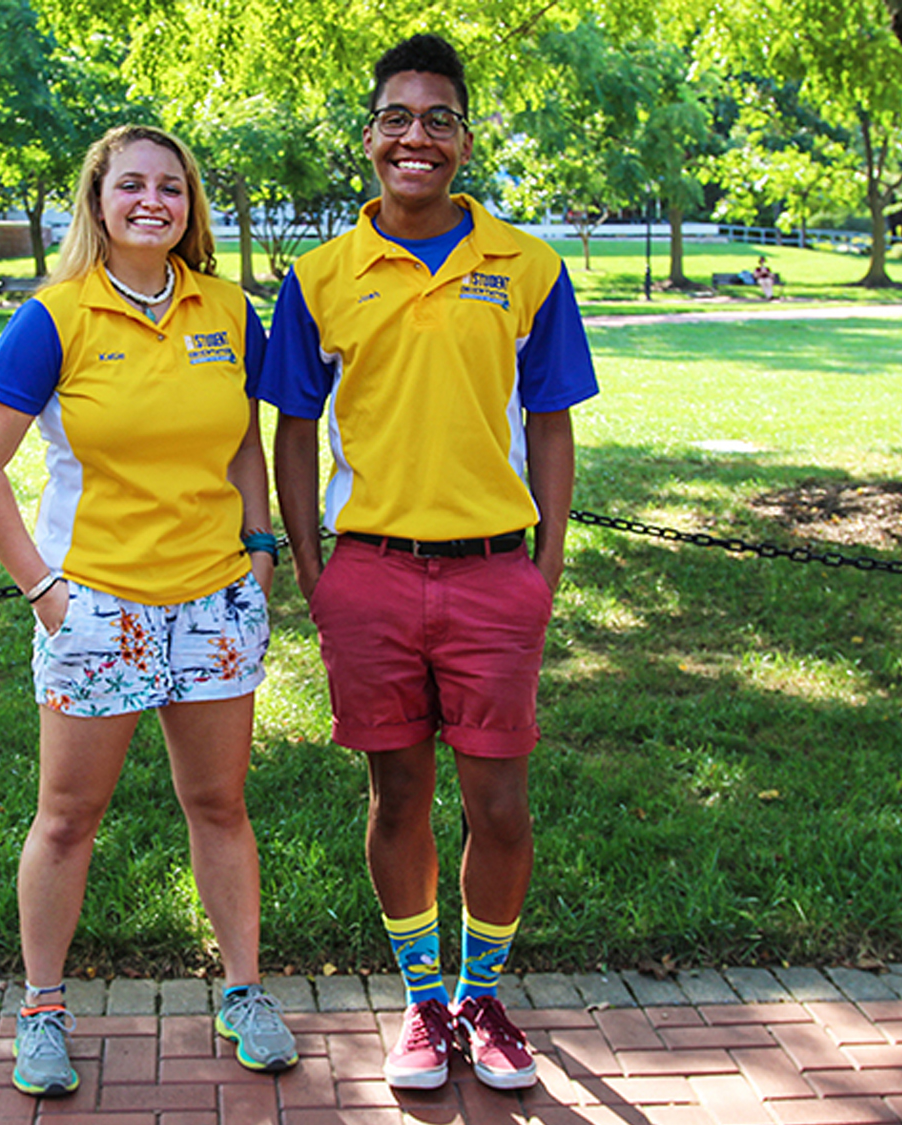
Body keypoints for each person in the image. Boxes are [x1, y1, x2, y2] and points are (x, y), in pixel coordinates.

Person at [259, 34, 599, 1092]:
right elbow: (293, 428)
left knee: (499, 805)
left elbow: (551, 422)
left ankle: (481, 997)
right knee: (397, 800)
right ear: (368, 138)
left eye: (438, 118)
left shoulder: (528, 265)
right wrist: (318, 574)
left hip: (495, 576)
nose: (417, 135)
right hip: (369, 574)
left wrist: (543, 564)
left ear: (463, 139)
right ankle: (420, 1004)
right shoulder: (318, 278)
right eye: (396, 117)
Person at [0, 123, 298, 1098]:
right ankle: (44, 1011)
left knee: (220, 805)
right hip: (97, 610)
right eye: (132, 186)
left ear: (191, 208)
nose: (154, 202)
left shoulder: (228, 309)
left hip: (213, 603)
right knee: (66, 819)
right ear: (97, 202)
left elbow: (243, 438)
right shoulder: (54, 317)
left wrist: (261, 548)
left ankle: (243, 993)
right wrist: (45, 593)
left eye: (173, 189)